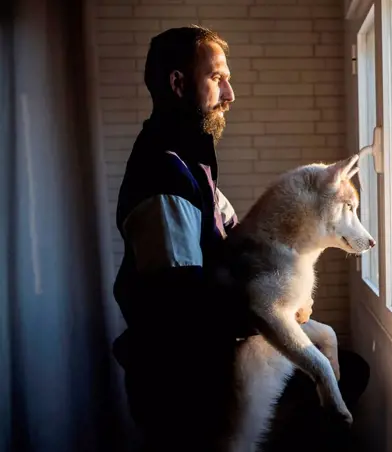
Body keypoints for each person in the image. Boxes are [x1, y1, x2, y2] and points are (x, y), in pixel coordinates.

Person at [111, 25, 241, 451]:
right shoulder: (163, 169)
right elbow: (180, 304)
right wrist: (266, 315)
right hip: (180, 389)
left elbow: (233, 236)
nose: (230, 95)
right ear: (178, 83)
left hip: (198, 373)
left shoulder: (190, 157)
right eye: (217, 78)